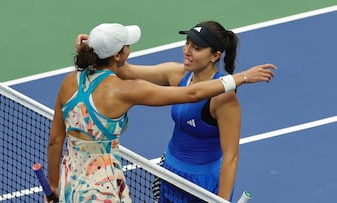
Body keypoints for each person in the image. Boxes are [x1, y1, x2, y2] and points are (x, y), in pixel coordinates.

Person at [52, 22, 275, 203]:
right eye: (187, 43)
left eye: (196, 48)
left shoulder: (225, 100)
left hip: (203, 183)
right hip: (169, 174)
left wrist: (222, 200)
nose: (187, 51)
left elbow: (231, 156)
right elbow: (126, 71)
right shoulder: (176, 74)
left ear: (215, 56)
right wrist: (95, 50)